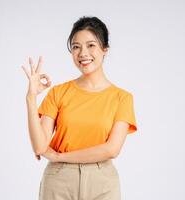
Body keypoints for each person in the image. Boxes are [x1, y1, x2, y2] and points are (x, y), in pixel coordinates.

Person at [21, 16, 137, 200]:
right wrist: (31, 97)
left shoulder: (122, 98)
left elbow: (111, 149)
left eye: (91, 45)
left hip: (102, 181)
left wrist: (59, 157)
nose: (83, 53)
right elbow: (40, 146)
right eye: (76, 47)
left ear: (105, 49)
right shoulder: (58, 93)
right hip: (59, 180)